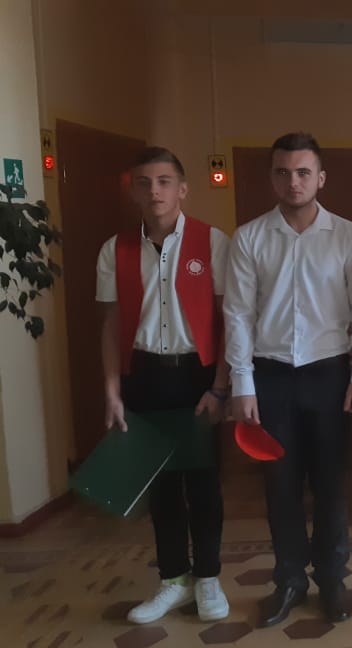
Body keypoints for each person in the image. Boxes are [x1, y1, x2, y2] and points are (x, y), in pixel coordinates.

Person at [224, 132, 352, 626]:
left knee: (331, 484)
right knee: (280, 484)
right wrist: (242, 384)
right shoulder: (249, 238)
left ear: (320, 178)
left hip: (330, 374)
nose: (294, 182)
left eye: (303, 172)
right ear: (272, 178)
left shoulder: (348, 236)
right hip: (269, 379)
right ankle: (289, 579)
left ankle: (331, 579)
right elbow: (238, 314)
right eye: (284, 172)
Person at [97, 147, 231, 624]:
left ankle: (208, 577)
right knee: (161, 488)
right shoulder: (115, 250)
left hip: (197, 375)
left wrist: (220, 386)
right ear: (133, 191)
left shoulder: (212, 242)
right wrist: (112, 390)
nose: (154, 191)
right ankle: (173, 579)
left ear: (182, 189)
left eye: (164, 181)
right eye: (144, 183)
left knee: (204, 484)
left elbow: (226, 320)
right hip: (144, 376)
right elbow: (111, 324)